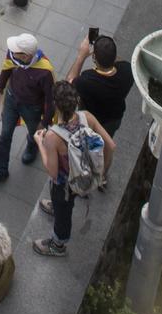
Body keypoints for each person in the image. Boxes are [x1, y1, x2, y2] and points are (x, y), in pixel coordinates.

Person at [32, 81, 115, 259]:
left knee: (63, 213)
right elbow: (111, 145)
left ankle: (58, 244)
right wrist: (101, 173)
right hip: (86, 173)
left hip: (65, 184)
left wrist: (40, 144)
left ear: (56, 105)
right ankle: (57, 207)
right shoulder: (87, 117)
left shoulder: (53, 136)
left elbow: (52, 172)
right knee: (66, 203)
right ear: (76, 100)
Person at [0, 33, 55, 186]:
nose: (11, 52)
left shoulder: (44, 72)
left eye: (16, 52)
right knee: (5, 135)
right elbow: (6, 68)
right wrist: (0, 85)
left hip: (32, 108)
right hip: (11, 99)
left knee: (34, 132)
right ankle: (0, 170)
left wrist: (44, 123)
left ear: (26, 56)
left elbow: (50, 100)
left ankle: (32, 146)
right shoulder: (13, 55)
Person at [68, 33, 134, 174]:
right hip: (114, 119)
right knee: (105, 147)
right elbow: (119, 62)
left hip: (90, 123)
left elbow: (69, 83)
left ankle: (86, 172)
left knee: (86, 147)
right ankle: (102, 176)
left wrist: (81, 55)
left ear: (94, 58)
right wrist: (106, 51)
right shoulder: (128, 70)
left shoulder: (86, 81)